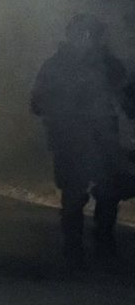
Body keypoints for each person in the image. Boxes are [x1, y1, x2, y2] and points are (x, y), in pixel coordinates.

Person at [31, 14, 131, 267]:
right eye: (90, 34)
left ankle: (103, 247)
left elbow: (129, 100)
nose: (95, 40)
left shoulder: (109, 65)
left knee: (108, 192)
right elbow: (37, 103)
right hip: (70, 138)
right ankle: (74, 249)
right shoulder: (56, 66)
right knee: (74, 195)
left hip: (103, 138)